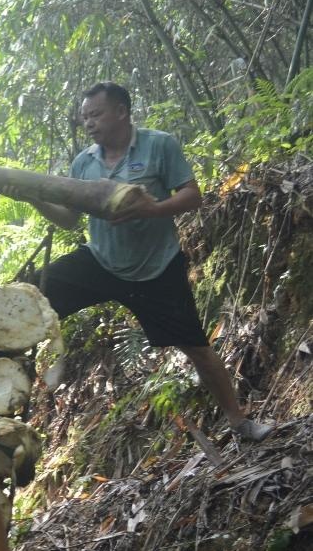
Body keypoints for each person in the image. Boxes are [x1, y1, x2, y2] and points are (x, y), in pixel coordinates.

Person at [31, 81, 272, 442]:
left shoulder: (159, 145)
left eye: (96, 115)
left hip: (157, 268)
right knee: (34, 291)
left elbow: (193, 196)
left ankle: (240, 423)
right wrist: (32, 197)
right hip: (101, 262)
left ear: (122, 112)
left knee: (197, 348)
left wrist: (154, 209)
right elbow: (69, 219)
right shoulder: (83, 162)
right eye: (85, 118)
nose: (89, 124)